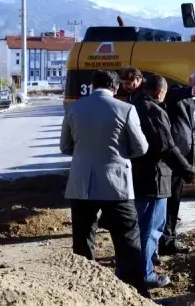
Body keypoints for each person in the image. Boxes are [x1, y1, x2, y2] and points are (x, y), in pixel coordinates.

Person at [59, 69, 150, 293]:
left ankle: (84, 291)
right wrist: (120, 153)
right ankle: (136, 292)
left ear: (92, 86)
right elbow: (141, 147)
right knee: (127, 240)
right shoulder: (126, 109)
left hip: (81, 185)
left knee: (83, 241)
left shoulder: (73, 108)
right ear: (116, 88)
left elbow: (65, 146)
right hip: (116, 185)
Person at [131, 73, 195, 289]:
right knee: (151, 229)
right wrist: (188, 171)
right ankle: (145, 275)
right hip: (155, 178)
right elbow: (167, 147)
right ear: (160, 93)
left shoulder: (136, 104)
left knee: (141, 226)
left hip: (140, 175)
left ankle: (132, 269)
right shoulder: (154, 111)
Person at [162, 69, 195, 255]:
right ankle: (164, 240)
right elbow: (175, 93)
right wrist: (194, 89)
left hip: (183, 158)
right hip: (172, 157)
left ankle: (168, 239)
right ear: (190, 79)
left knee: (174, 199)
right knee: (167, 200)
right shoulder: (178, 92)